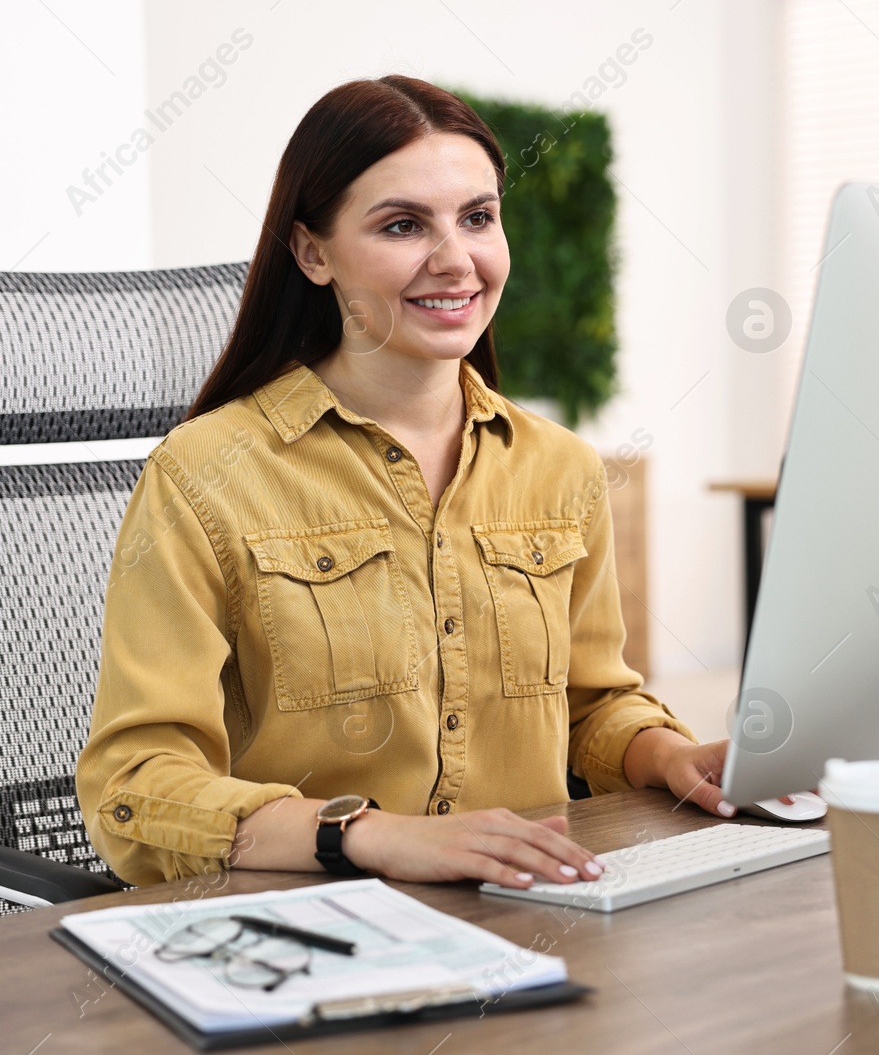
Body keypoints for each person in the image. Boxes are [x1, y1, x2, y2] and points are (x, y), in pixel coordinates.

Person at [75, 74, 740, 894]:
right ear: (312, 252)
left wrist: (674, 756)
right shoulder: (203, 474)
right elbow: (134, 786)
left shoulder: (560, 468)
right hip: (317, 930)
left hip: (533, 912)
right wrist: (371, 837)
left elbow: (590, 706)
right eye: (402, 225)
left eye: (478, 217)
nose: (456, 259)